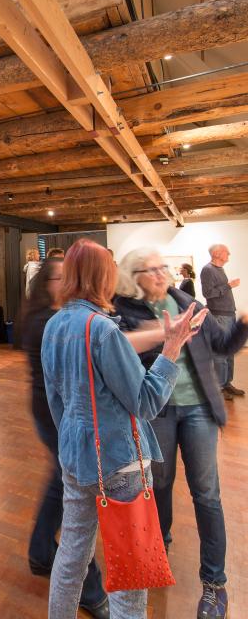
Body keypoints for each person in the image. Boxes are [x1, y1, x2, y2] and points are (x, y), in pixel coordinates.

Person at [42, 239, 196, 619]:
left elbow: (56, 403)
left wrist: (73, 445)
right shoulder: (104, 331)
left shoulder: (53, 326)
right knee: (130, 574)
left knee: (72, 556)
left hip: (76, 460)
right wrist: (171, 349)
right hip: (119, 464)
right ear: (103, 278)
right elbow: (145, 402)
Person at [115, 247, 248, 619]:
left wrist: (243, 323)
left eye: (163, 267)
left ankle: (214, 582)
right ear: (133, 277)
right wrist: (160, 336)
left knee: (206, 494)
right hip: (157, 410)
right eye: (151, 269)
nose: (161, 274)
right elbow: (122, 362)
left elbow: (222, 345)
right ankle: (160, 548)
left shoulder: (187, 302)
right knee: (158, 485)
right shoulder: (124, 312)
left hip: (198, 410)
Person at [21, 257, 109, 619]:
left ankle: (41, 551)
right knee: (78, 495)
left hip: (57, 413)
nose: (69, 282)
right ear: (47, 283)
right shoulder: (47, 322)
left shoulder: (55, 317)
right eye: (61, 277)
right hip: (55, 415)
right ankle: (90, 588)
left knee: (61, 483)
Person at [200, 244, 243, 399]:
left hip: (229, 314)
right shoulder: (208, 270)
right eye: (226, 252)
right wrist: (228, 285)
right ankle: (219, 387)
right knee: (221, 352)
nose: (229, 254)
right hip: (219, 315)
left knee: (229, 350)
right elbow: (208, 293)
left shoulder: (219, 269)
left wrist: (227, 286)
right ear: (217, 253)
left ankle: (227, 384)